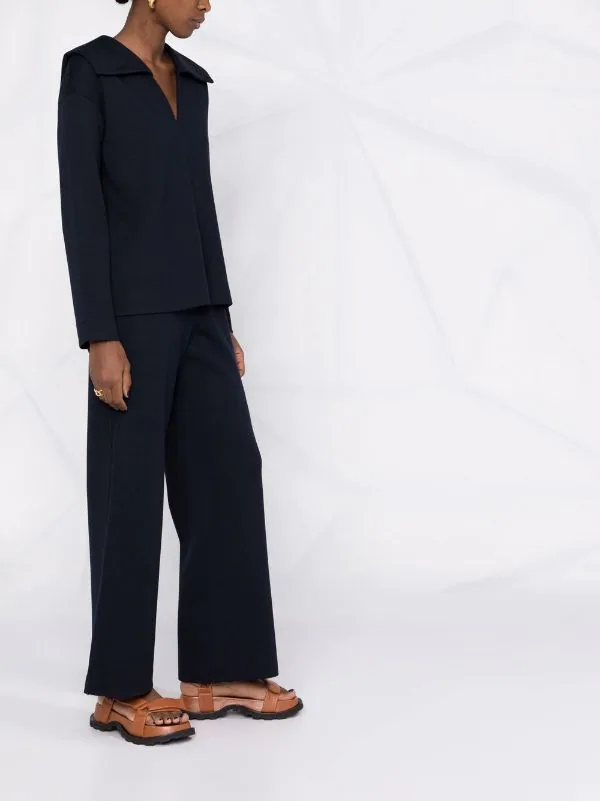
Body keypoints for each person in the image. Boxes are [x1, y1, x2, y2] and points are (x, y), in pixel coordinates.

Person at [56, 0, 302, 746]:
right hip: (130, 321)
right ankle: (121, 689)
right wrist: (100, 335)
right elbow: (82, 207)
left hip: (199, 313)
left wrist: (221, 317)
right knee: (129, 493)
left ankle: (220, 670)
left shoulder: (191, 81)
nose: (206, 3)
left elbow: (201, 205)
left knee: (230, 470)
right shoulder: (90, 72)